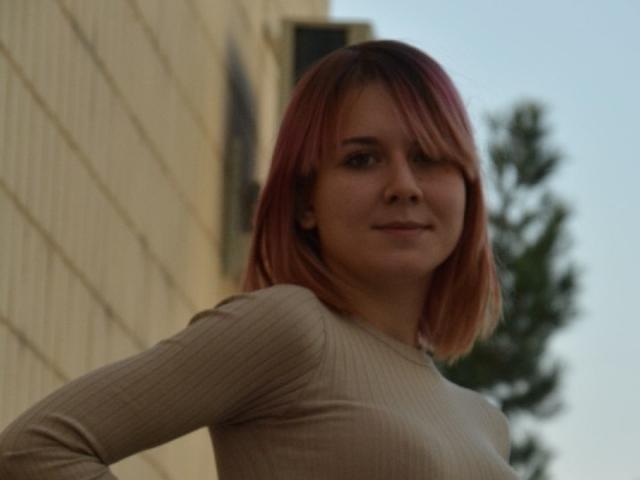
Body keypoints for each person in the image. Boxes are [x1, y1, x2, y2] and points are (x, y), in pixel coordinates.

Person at [0, 40, 519, 479]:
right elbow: (35, 450)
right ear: (305, 201)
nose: (403, 186)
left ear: (468, 186)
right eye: (361, 159)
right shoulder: (289, 328)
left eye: (428, 158)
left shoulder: (486, 424)